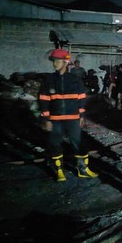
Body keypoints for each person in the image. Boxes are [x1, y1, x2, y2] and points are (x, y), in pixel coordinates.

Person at [38, 49, 98, 182]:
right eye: (54, 61)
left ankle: (83, 169)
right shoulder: (48, 80)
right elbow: (43, 100)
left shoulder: (75, 80)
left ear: (65, 62)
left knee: (79, 144)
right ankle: (59, 171)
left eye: (57, 61)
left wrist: (81, 116)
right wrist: (46, 119)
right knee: (55, 144)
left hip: (73, 119)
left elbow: (81, 99)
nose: (54, 64)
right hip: (55, 120)